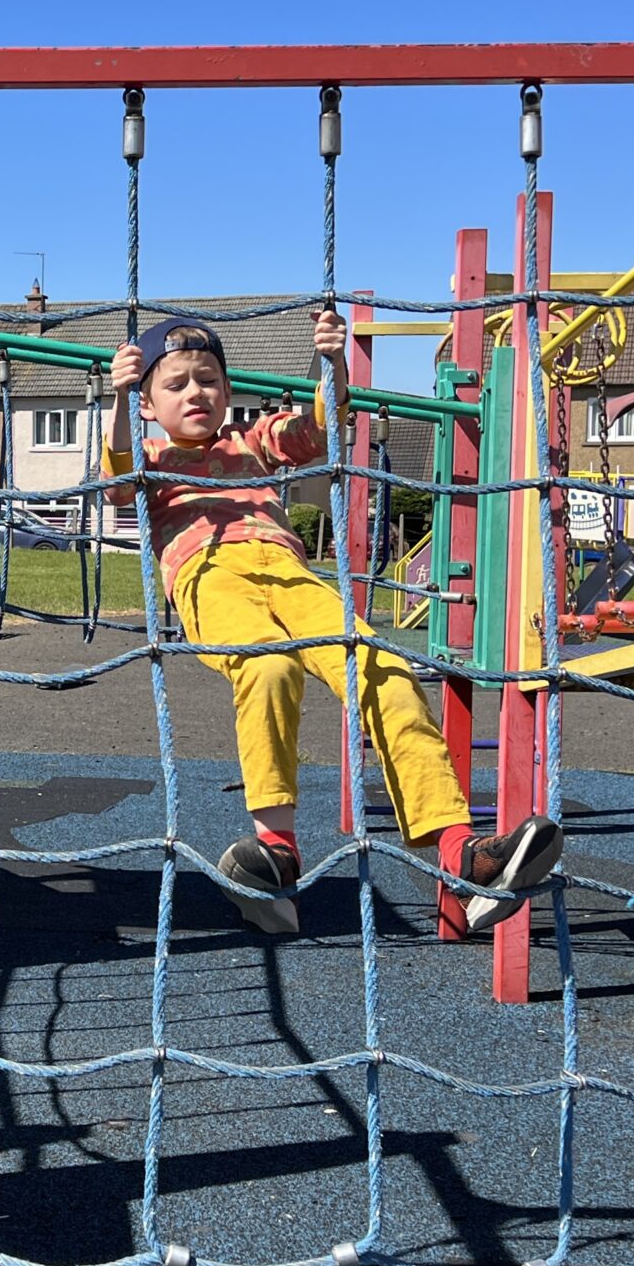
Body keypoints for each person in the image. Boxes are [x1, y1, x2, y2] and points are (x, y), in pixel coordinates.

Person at [105, 309, 561, 935]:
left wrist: (332, 363)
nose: (196, 393)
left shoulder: (250, 440)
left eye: (208, 380)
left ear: (228, 393)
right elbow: (116, 486)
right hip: (210, 574)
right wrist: (120, 399)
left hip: (292, 574)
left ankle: (463, 856)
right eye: (176, 384)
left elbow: (318, 431)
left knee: (386, 671)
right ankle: (277, 850)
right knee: (268, 665)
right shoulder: (148, 452)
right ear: (151, 405)